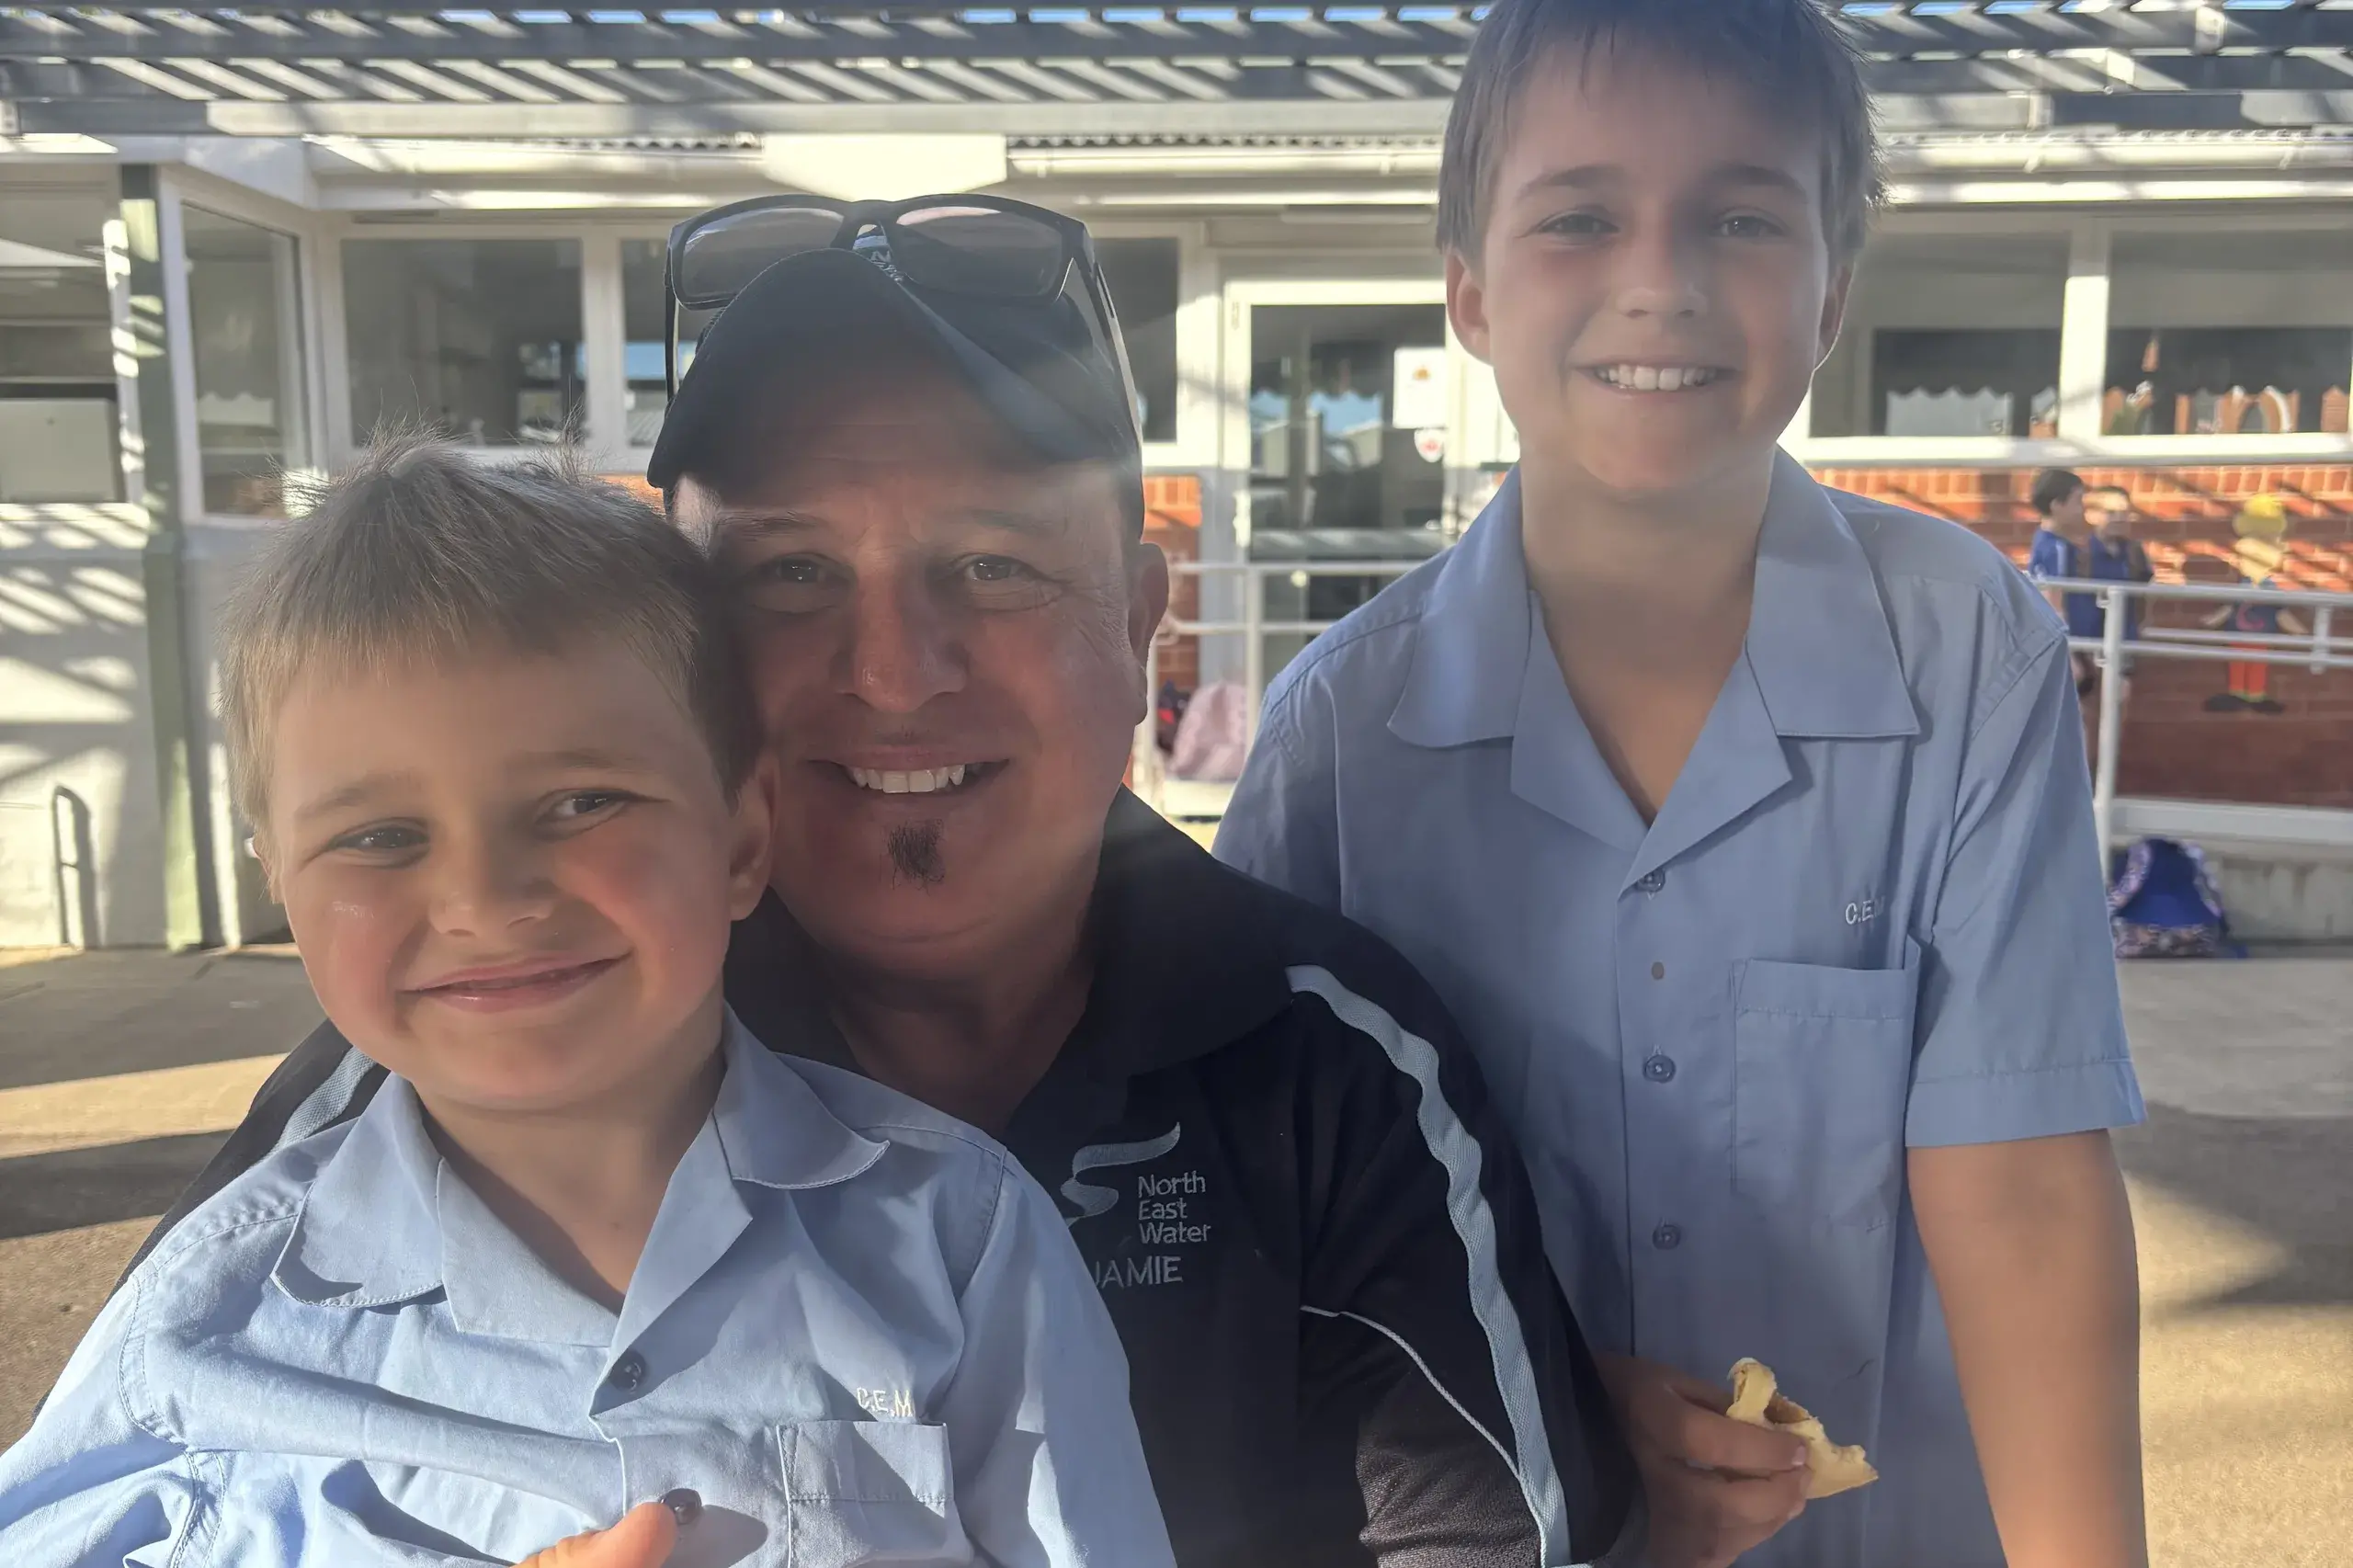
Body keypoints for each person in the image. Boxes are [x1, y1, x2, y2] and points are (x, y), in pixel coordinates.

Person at [121, 197, 1635, 1568]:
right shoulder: (468, 1057)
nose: (894, 671)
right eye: (788, 575)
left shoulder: (1330, 1060)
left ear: (1142, 612)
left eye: (992, 564)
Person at [1215, 4, 2149, 1567]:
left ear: (1835, 289)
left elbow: (2026, 1199)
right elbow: (1276, 1242)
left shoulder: (1964, 653)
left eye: (1741, 215)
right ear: (1468, 288)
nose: (1661, 278)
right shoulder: (1338, 745)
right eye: (1580, 217)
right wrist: (1566, 1407)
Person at [0, 441, 1174, 1568]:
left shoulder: (958, 1241)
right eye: (380, 836)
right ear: (281, 882)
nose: (486, 899)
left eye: (579, 804)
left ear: (742, 837)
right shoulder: (210, 1313)